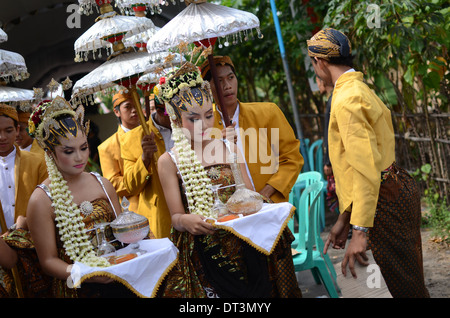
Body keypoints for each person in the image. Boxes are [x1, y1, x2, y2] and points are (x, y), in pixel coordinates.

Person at [156, 62, 301, 298]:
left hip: (243, 238)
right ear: (175, 118)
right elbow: (175, 217)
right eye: (193, 119)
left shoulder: (227, 146)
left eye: (208, 115)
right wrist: (186, 220)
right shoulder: (169, 161)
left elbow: (246, 193)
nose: (203, 124)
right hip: (206, 247)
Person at [307, 28, 429, 297]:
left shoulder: (347, 99)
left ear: (321, 63)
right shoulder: (356, 89)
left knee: (403, 286)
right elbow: (357, 166)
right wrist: (344, 218)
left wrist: (359, 233)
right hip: (387, 192)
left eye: (314, 64)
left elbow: (365, 170)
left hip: (384, 200)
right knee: (400, 281)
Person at [26, 97, 136, 298]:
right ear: (50, 153)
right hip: (77, 287)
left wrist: (138, 236)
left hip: (119, 277)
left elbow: (122, 232)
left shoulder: (101, 182)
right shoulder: (41, 200)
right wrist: (84, 273)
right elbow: (48, 261)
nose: (80, 157)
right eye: (69, 151)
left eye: (84, 147)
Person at [200, 56, 303, 203]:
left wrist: (266, 193)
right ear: (207, 88)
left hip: (271, 204)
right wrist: (218, 143)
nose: (227, 86)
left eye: (230, 78)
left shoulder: (267, 113)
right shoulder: (204, 129)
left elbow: (291, 158)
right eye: (219, 81)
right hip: (229, 213)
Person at [120, 91, 173, 239]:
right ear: (161, 110)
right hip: (161, 216)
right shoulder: (132, 138)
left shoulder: (191, 124)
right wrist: (144, 158)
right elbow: (130, 186)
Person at [0, 104, 47, 230]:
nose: (2, 137)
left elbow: (48, 205)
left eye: (8, 131)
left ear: (17, 130)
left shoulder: (38, 162)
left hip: (34, 239)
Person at [98, 90, 141, 213]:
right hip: (135, 210)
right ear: (117, 112)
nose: (134, 110)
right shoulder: (107, 147)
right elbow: (113, 184)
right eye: (128, 107)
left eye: (137, 104)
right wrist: (143, 177)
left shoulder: (152, 133)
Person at [316, 76, 338, 214]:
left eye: (317, 81)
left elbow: (331, 135)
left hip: (335, 160)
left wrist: (328, 162)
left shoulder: (333, 100)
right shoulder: (333, 98)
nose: (317, 85)